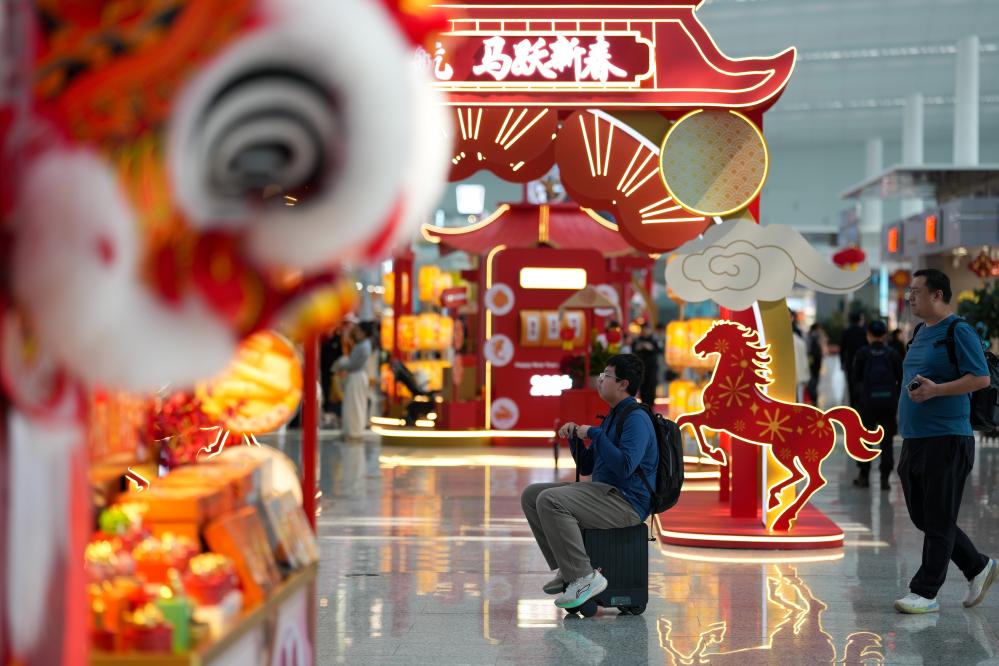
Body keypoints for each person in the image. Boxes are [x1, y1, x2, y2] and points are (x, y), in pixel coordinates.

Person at [893, 268, 996, 614]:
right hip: (915, 437)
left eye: (917, 291)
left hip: (948, 436)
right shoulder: (920, 331)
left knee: (938, 517)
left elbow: (980, 378)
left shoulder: (958, 330)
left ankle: (925, 592)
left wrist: (937, 390)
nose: (910, 297)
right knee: (924, 516)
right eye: (909, 291)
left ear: (937, 295)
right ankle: (978, 566)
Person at [521, 354, 658, 610]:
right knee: (532, 495)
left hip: (627, 502)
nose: (600, 380)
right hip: (604, 492)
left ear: (623, 384)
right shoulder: (613, 416)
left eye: (607, 375)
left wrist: (595, 434)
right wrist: (576, 439)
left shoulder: (636, 419)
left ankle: (584, 577)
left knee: (550, 500)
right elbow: (586, 467)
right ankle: (568, 568)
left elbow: (626, 466)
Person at [849, 319, 902, 489]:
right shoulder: (892, 354)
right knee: (886, 441)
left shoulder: (862, 353)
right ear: (885, 335)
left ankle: (863, 476)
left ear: (869, 335)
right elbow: (901, 378)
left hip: (867, 404)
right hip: (888, 403)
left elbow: (854, 379)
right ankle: (884, 478)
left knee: (865, 440)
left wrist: (858, 400)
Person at [333, 322, 373, 444]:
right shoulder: (362, 345)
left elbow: (353, 364)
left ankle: (354, 433)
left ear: (364, 332)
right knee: (351, 405)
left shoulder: (364, 346)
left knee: (355, 405)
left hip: (357, 377)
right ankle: (350, 431)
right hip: (355, 376)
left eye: (358, 331)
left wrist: (341, 363)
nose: (356, 333)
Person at [840, 311, 867, 407]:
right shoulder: (864, 332)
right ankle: (861, 404)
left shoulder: (846, 332)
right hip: (863, 362)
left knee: (851, 385)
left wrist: (842, 363)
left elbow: (842, 349)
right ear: (859, 320)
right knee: (863, 384)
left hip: (850, 363)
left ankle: (853, 406)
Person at [633, 321, 663, 404]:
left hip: (652, 367)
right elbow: (633, 349)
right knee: (642, 385)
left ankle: (651, 403)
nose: (644, 331)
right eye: (643, 329)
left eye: (646, 329)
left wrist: (651, 348)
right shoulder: (637, 340)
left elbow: (660, 350)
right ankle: (643, 403)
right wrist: (638, 348)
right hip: (641, 366)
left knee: (651, 384)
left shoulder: (654, 340)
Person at [807, 323, 826, 405]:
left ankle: (813, 396)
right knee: (815, 378)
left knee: (813, 377)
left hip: (812, 358)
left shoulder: (809, 335)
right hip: (817, 358)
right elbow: (823, 346)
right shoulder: (818, 335)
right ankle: (814, 397)